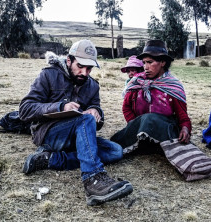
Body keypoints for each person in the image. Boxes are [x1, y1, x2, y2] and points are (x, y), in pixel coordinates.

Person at [19, 39, 133, 206]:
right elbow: (25, 110)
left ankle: (50, 159)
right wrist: (60, 107)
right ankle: (93, 179)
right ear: (69, 60)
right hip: (49, 134)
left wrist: (96, 112)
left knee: (115, 151)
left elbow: (97, 117)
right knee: (85, 120)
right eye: (80, 66)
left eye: (89, 68)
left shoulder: (93, 86)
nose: (84, 73)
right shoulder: (49, 75)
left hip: (77, 137)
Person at [111, 40, 211, 181]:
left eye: (150, 62)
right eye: (144, 63)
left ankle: (193, 165)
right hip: (141, 134)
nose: (146, 67)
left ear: (163, 62)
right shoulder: (137, 82)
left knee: (150, 118)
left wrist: (185, 129)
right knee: (113, 144)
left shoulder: (173, 86)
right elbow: (126, 107)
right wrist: (135, 125)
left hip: (165, 131)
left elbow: (182, 116)